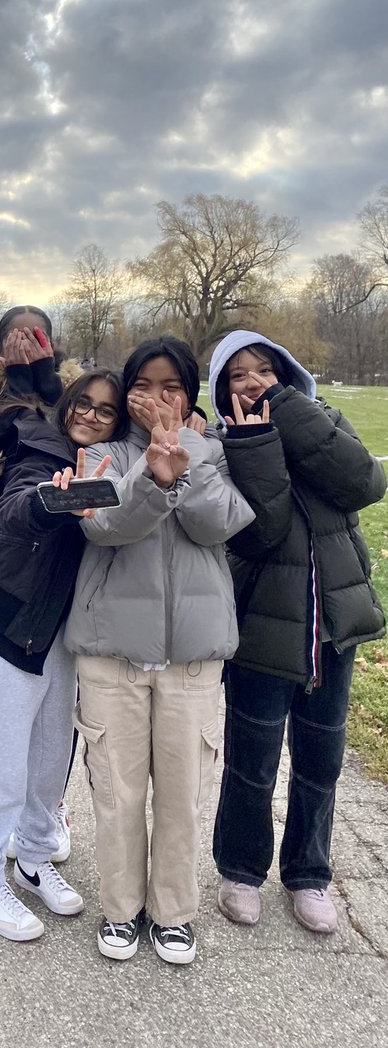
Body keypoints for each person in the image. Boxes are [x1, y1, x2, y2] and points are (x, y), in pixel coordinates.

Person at [63, 335, 254, 965]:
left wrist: (185, 464)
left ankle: (173, 912)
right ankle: (120, 909)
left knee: (182, 794)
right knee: (117, 793)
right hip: (111, 653)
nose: (156, 399)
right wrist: (152, 476)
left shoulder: (213, 451)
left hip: (193, 656)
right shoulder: (103, 454)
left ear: (190, 395)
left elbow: (220, 522)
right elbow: (105, 526)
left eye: (171, 387)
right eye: (143, 386)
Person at [208, 331, 386, 934]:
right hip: (262, 624)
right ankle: (239, 868)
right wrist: (255, 441)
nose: (253, 382)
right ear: (221, 391)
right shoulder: (226, 448)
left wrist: (289, 413)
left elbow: (364, 485)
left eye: (264, 370)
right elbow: (261, 531)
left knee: (320, 760)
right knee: (251, 761)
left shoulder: (324, 421)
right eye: (238, 376)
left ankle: (309, 873)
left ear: (287, 375)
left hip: (333, 623)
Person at [0, 370, 124, 940]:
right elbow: (13, 505)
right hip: (10, 617)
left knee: (52, 754)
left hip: (61, 629)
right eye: (86, 404)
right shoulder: (37, 443)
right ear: (68, 403)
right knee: (0, 755)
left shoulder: (111, 461)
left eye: (106, 410)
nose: (92, 415)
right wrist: (56, 499)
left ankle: (31, 856)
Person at [0, 305, 82, 453]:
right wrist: (20, 390)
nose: (26, 349)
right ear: (0, 350)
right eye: (18, 341)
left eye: (36, 340)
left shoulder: (81, 393)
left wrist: (49, 384)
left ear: (50, 347)